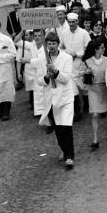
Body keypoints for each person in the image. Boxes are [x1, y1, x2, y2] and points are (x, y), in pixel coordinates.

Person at [37, 32, 75, 169]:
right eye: (49, 44)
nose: (51, 46)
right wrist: (47, 76)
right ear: (46, 45)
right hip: (51, 100)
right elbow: (39, 80)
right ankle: (64, 150)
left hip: (65, 98)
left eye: (53, 43)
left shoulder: (67, 58)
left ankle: (70, 156)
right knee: (58, 129)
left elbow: (65, 79)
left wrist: (56, 71)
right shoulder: (42, 59)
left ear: (58, 44)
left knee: (66, 127)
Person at [80, 39, 107, 151]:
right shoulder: (87, 61)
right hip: (93, 89)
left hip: (105, 88)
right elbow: (79, 73)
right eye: (102, 48)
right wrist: (85, 73)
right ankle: (95, 138)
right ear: (96, 49)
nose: (104, 49)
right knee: (95, 114)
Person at [59, 12, 91, 122]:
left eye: (73, 22)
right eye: (70, 22)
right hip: (69, 64)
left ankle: (88, 104)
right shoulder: (64, 32)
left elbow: (88, 48)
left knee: (84, 87)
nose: (71, 24)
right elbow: (61, 47)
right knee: (72, 88)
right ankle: (77, 112)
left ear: (77, 22)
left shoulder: (84, 33)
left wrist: (77, 54)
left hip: (81, 62)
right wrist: (66, 54)